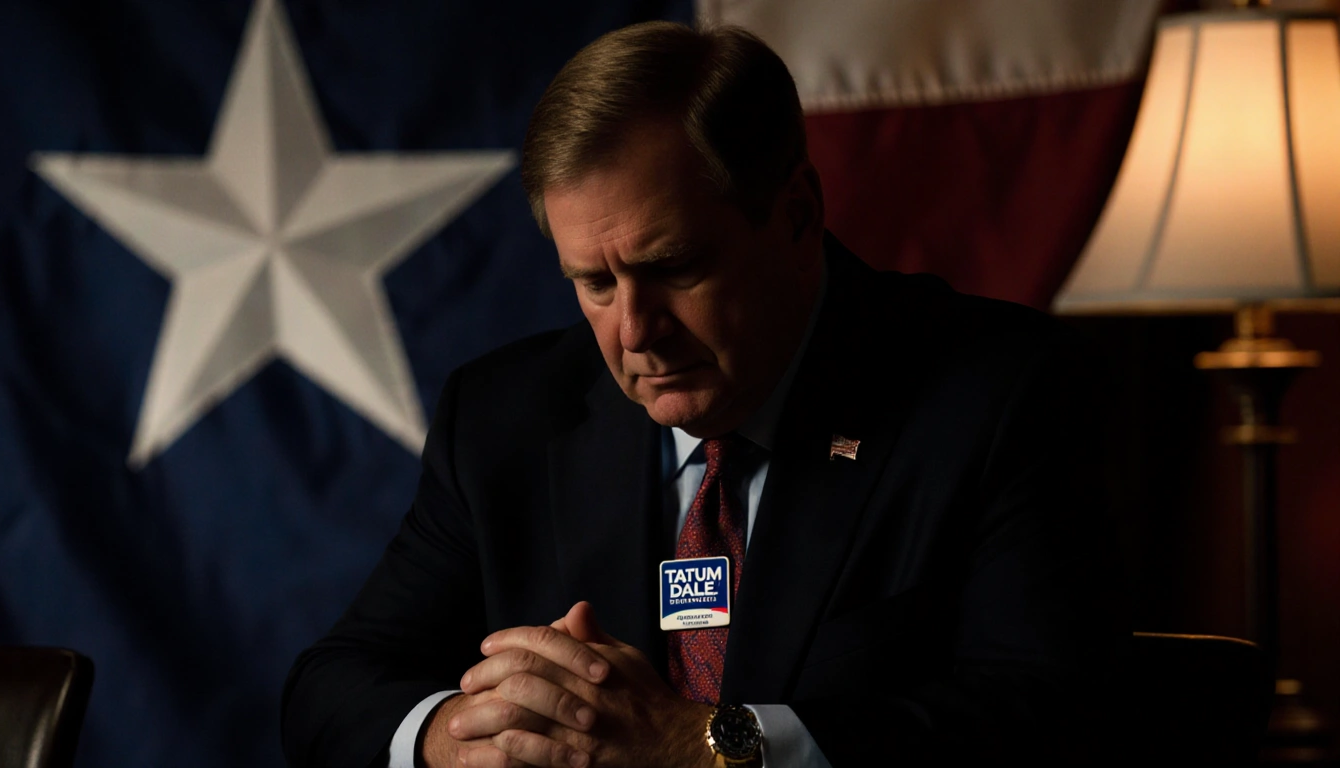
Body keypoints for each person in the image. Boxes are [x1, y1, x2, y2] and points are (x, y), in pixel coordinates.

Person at [281, 21, 1128, 768]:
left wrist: (705, 747)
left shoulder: (1005, 394)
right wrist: (464, 733)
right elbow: (331, 690)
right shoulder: (505, 416)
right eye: (595, 283)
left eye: (674, 268)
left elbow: (1049, 720)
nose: (635, 330)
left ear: (796, 216)